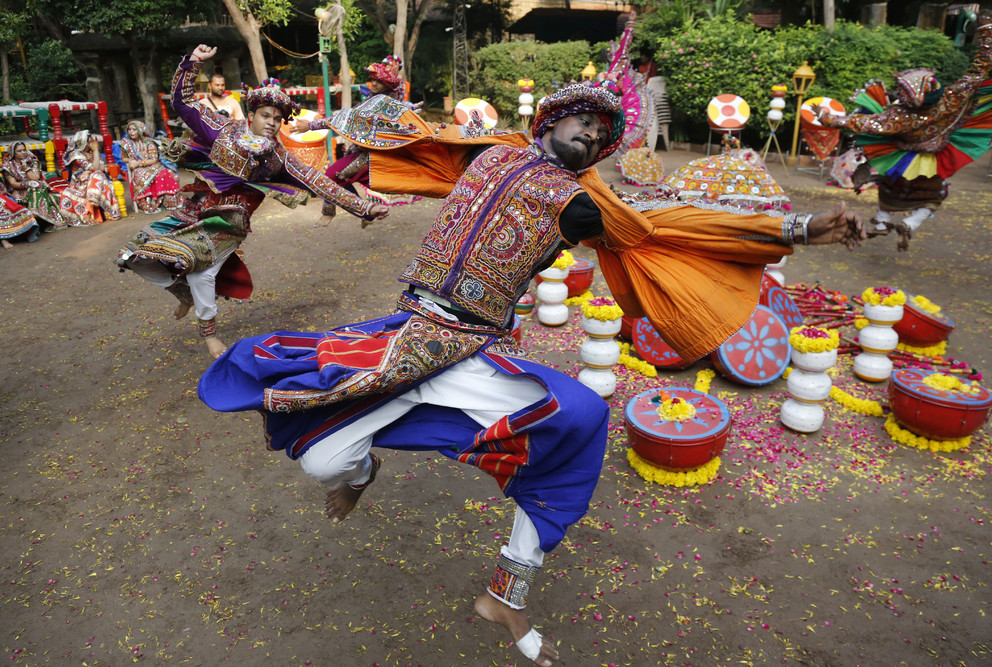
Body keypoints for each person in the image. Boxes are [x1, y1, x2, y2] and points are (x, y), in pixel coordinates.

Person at [198, 82, 865, 665]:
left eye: (603, 134)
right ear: (550, 121)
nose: (593, 134)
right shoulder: (490, 152)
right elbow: (408, 148)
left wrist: (800, 227)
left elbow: (663, 225)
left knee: (579, 419)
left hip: (460, 346)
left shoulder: (579, 205)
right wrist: (345, 182)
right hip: (406, 328)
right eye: (583, 120)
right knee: (322, 463)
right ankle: (362, 469)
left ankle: (506, 594)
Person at [115, 44, 389, 359]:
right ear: (251, 115)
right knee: (134, 255)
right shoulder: (221, 128)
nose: (272, 122)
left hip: (227, 223)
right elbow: (183, 102)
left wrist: (365, 208)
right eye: (266, 115)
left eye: (278, 118)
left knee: (200, 272)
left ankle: (210, 337)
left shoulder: (279, 159)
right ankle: (183, 293)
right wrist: (192, 62)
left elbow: (322, 183)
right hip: (192, 211)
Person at [816, 10, 992, 250]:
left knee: (889, 184)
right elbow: (981, 67)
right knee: (935, 193)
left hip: (902, 154)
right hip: (935, 155)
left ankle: (882, 221)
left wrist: (826, 117)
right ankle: (911, 222)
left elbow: (863, 123)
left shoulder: (900, 117)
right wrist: (985, 28)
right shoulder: (951, 99)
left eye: (902, 91)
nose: (898, 93)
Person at [293, 55, 422, 226]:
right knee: (339, 179)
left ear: (388, 84)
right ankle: (367, 212)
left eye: (379, 81)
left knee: (331, 177)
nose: (374, 84)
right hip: (365, 152)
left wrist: (311, 126)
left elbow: (343, 119)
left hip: (368, 155)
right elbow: (347, 117)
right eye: (372, 80)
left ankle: (331, 212)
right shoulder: (375, 100)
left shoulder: (383, 103)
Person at [115, 120, 182, 214]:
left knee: (163, 173)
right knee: (140, 176)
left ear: (140, 130)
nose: (131, 132)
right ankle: (147, 203)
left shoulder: (148, 142)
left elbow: (154, 159)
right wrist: (130, 161)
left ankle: (165, 201)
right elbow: (123, 158)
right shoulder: (126, 143)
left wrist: (139, 163)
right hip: (137, 168)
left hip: (151, 165)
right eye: (129, 129)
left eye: (134, 129)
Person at [58, 132, 122, 226]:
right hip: (80, 183)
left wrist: (92, 165)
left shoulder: (91, 153)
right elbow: (96, 167)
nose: (93, 143)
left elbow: (101, 167)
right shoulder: (75, 155)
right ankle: (102, 205)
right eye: (90, 141)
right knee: (97, 174)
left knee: (98, 174)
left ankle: (95, 199)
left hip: (93, 180)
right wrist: (96, 153)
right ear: (82, 142)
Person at [1, 142, 66, 232]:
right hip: (19, 189)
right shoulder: (8, 165)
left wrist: (25, 166)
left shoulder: (32, 160)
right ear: (13, 153)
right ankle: (37, 222)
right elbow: (13, 183)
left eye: (24, 150)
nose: (23, 152)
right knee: (35, 188)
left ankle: (36, 211)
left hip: (36, 186)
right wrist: (26, 184)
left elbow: (35, 177)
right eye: (19, 151)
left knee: (38, 186)